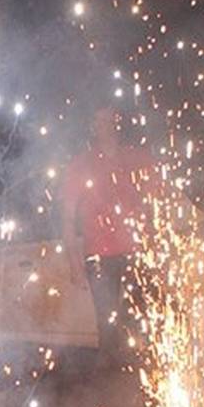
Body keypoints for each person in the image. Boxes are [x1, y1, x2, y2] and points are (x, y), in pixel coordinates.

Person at [61, 106, 154, 369]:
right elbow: (68, 215)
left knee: (144, 318)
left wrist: (155, 245)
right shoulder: (81, 164)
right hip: (100, 256)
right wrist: (74, 261)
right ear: (92, 126)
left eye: (110, 119)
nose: (105, 126)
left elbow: (158, 202)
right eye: (99, 121)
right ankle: (113, 378)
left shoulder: (138, 158)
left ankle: (147, 374)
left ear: (118, 122)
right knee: (109, 323)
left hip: (138, 253)